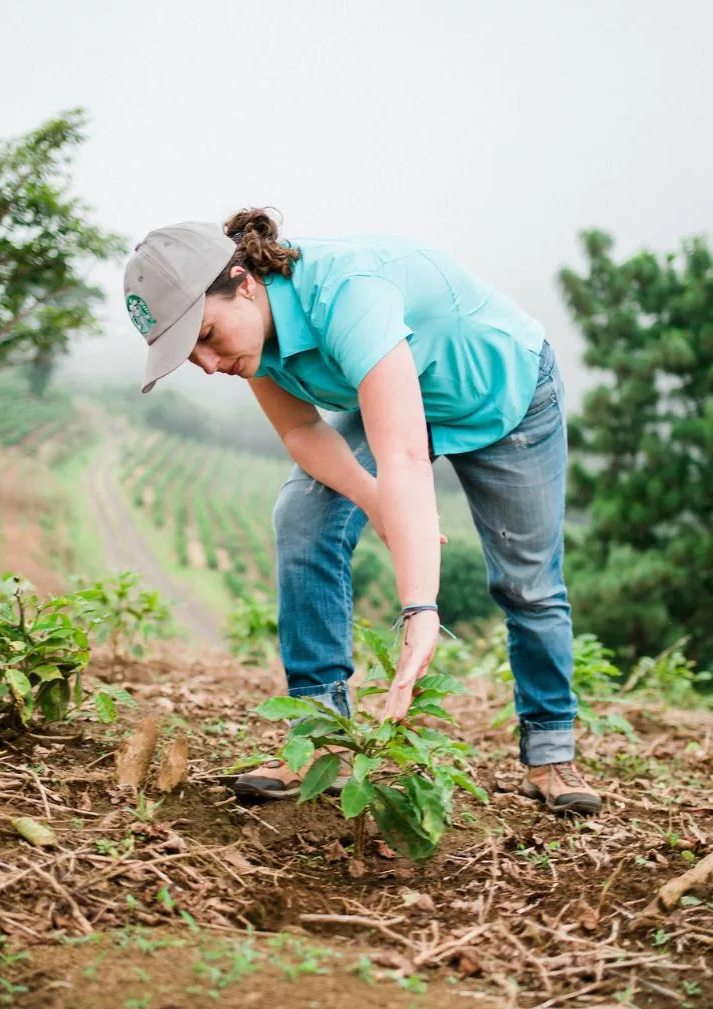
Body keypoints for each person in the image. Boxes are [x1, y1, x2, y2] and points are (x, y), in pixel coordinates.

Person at [123, 209, 601, 815]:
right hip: (402, 400)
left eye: (208, 337)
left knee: (527, 581)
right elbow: (301, 431)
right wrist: (373, 500)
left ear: (244, 281)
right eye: (191, 355)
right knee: (302, 514)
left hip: (503, 397)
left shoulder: (347, 293)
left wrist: (420, 608)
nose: (211, 365)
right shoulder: (254, 338)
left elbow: (402, 456)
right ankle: (321, 735)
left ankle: (551, 753)